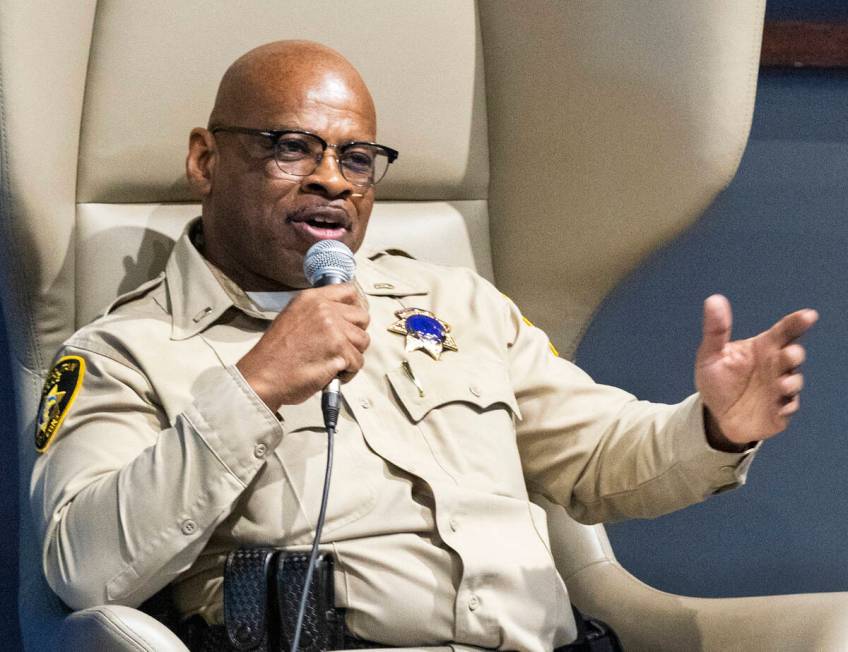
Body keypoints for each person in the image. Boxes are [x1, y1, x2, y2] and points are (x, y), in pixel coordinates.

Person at [30, 40, 817, 651]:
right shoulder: (125, 351)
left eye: (357, 158)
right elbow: (85, 569)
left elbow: (600, 457)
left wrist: (715, 425)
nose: (334, 181)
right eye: (292, 147)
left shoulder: (456, 303)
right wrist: (254, 386)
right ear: (206, 160)